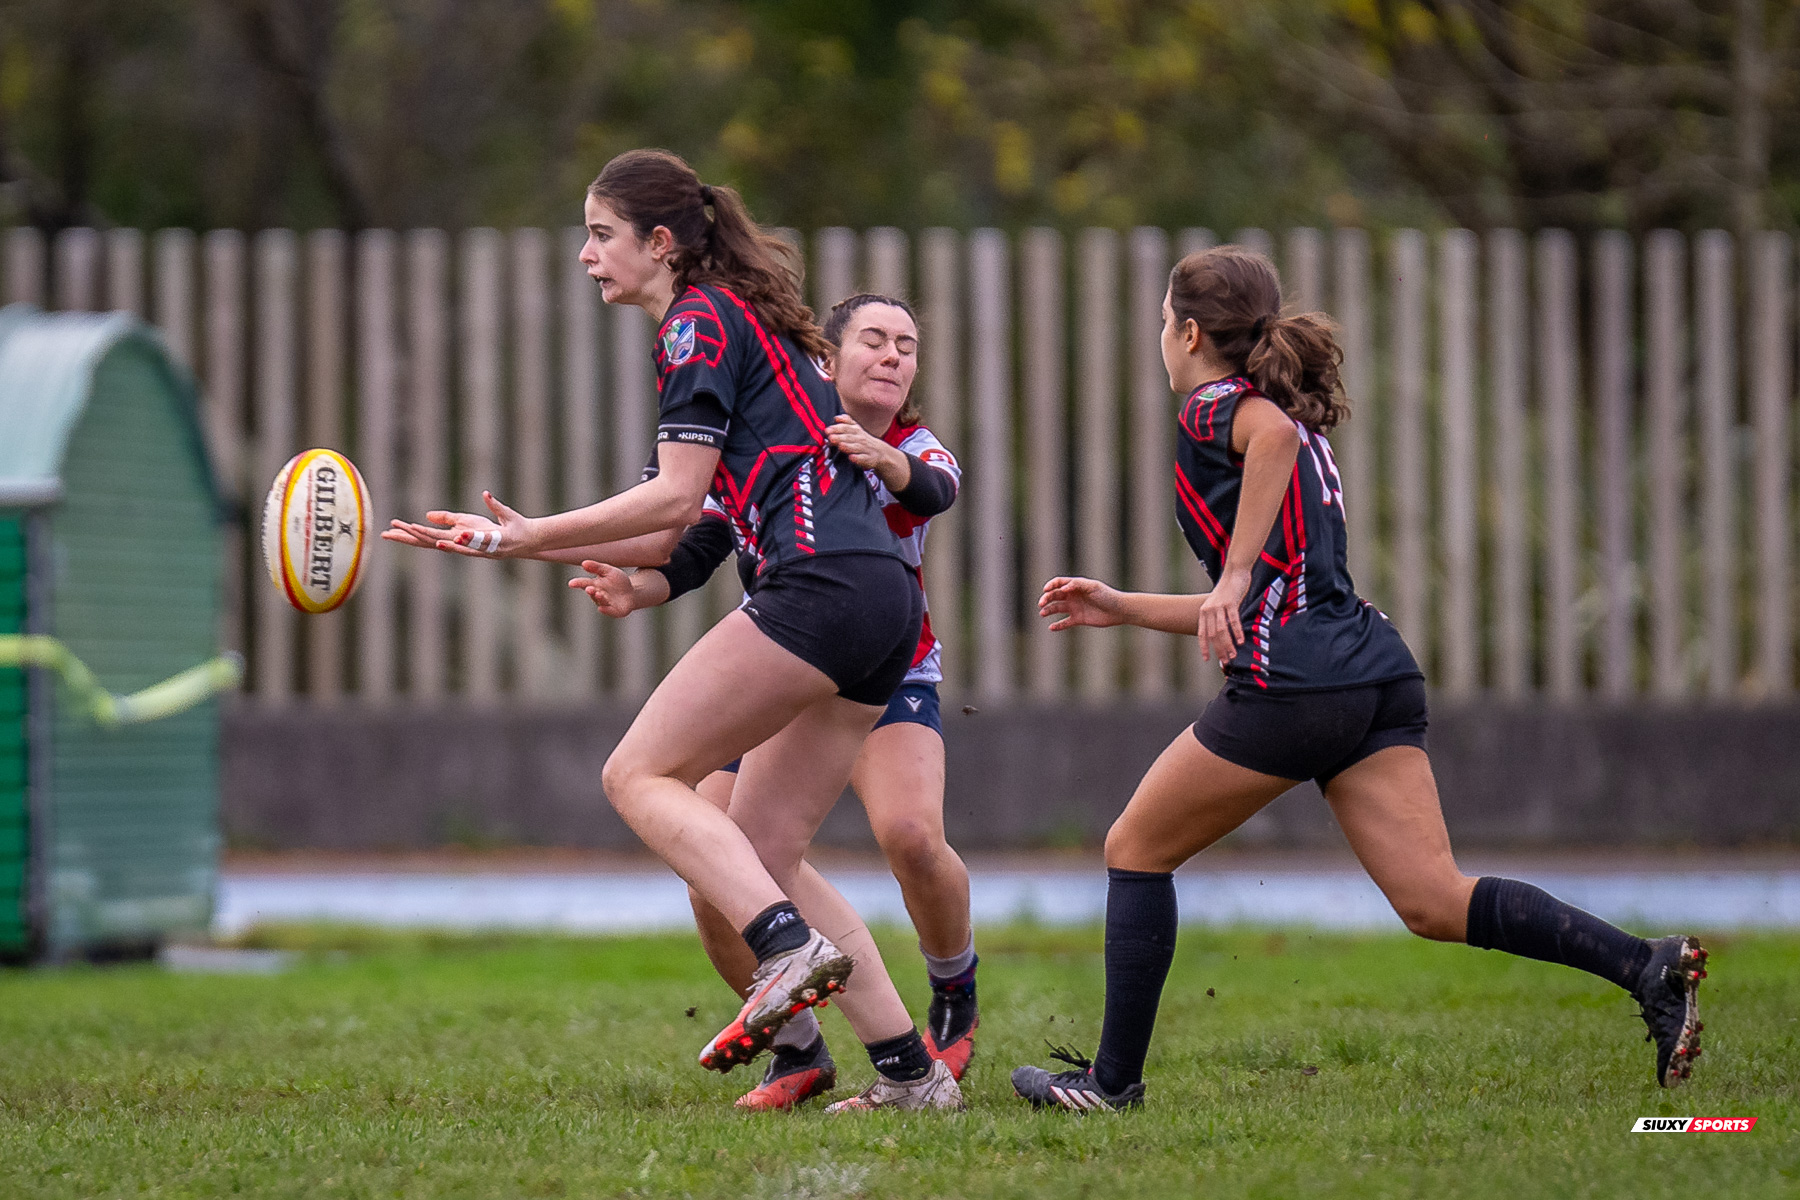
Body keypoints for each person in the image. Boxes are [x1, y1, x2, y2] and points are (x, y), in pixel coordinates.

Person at [1008, 245, 1707, 1113]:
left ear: (1189, 332)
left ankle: (1110, 1088)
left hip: (1299, 683)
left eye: (1162, 321)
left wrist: (1227, 580)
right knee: (1431, 897)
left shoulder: (1216, 407)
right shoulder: (1275, 418)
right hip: (1373, 671)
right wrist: (1126, 604)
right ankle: (1647, 965)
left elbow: (1256, 525)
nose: (1161, 336)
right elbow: (1275, 590)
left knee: (1133, 849)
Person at [383, 149, 962, 1112]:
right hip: (884, 603)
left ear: (660, 243)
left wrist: (520, 535)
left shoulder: (695, 322)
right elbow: (702, 515)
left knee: (636, 775)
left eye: (601, 236)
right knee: (764, 850)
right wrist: (597, 566)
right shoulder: (744, 315)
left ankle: (783, 950)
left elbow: (677, 489)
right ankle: (909, 1073)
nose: (587, 256)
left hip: (817, 589)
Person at [599, 293, 976, 1111]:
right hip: (790, 652)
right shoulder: (775, 428)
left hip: (883, 662)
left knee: (910, 835)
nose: (893, 357)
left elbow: (940, 487)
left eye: (908, 346)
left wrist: (881, 459)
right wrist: (643, 587)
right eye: (873, 340)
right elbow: (695, 539)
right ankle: (804, 1050)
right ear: (825, 359)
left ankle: (953, 989)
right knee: (722, 864)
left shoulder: (905, 442)